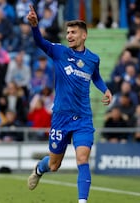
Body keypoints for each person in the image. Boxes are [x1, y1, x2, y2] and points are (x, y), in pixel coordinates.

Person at [26, 5, 112, 203]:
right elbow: (40, 42)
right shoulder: (59, 52)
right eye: (68, 32)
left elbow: (96, 77)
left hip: (83, 118)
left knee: (82, 159)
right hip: (61, 117)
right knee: (54, 165)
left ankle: (82, 201)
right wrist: (34, 27)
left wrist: (105, 89)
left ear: (84, 36)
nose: (69, 35)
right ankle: (40, 168)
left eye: (73, 32)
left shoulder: (93, 59)